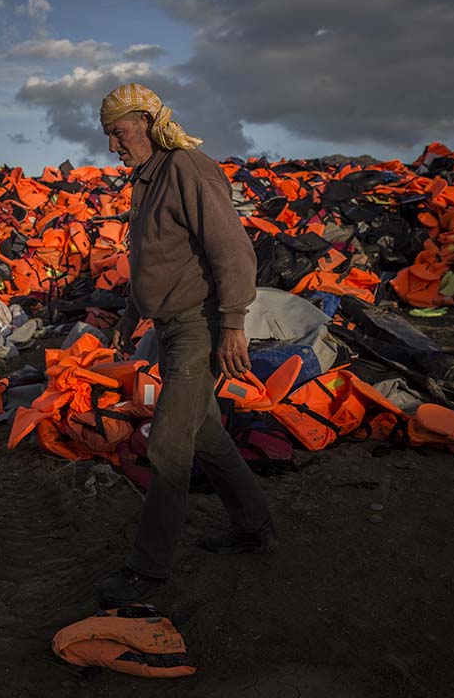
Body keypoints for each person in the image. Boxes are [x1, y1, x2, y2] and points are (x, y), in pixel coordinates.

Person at [93, 83, 277, 609]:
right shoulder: (145, 181)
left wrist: (234, 323)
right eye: (107, 136)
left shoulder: (187, 168)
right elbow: (148, 257)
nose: (113, 146)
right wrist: (129, 314)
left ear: (148, 121)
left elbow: (233, 251)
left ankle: (146, 574)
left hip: (199, 327)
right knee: (208, 437)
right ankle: (254, 530)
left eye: (119, 133)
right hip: (168, 326)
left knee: (168, 446)